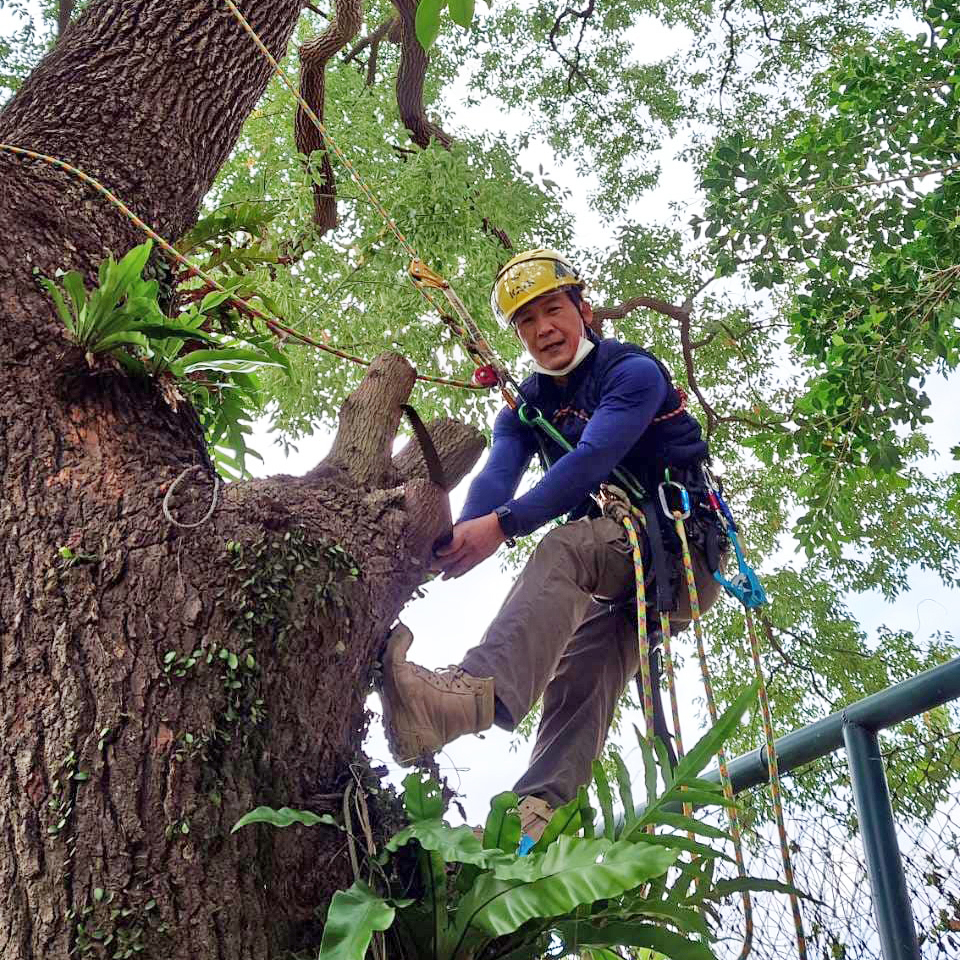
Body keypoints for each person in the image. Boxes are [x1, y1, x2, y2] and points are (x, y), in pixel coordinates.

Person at [379, 249, 727, 844]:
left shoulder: (632, 373)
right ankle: (538, 818)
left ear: (583, 310)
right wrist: (461, 531)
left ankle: (467, 695)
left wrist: (505, 527)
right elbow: (497, 477)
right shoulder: (525, 409)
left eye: (552, 310)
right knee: (579, 673)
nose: (543, 329)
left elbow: (593, 459)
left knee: (566, 548)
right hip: (624, 572)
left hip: (681, 556)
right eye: (526, 321)